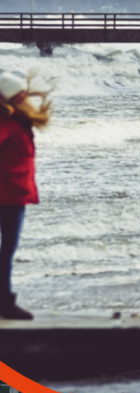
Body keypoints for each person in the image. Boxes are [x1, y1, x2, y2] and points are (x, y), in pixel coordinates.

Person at [0, 72, 51, 320]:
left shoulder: (17, 121)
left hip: (13, 192)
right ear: (17, 96)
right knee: (7, 248)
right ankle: (5, 304)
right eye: (24, 93)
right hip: (7, 195)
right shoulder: (8, 124)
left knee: (6, 249)